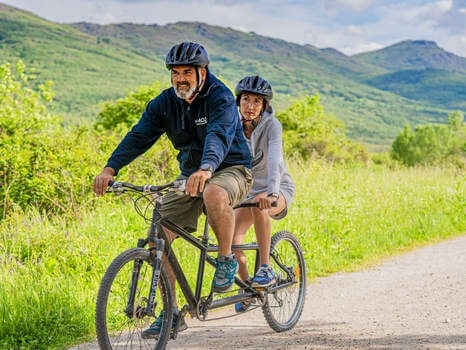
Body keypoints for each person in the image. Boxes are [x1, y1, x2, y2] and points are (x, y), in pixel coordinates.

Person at [93, 42, 253, 337]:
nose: (181, 78)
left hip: (231, 169)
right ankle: (172, 313)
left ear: (202, 72)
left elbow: (218, 135)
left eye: (187, 72)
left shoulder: (220, 98)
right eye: (175, 73)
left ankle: (226, 258)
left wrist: (207, 169)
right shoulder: (164, 103)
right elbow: (139, 135)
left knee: (214, 193)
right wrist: (110, 168)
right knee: (158, 239)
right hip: (191, 174)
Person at [231, 75, 295, 312]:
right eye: (246, 99)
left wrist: (273, 193)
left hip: (277, 188)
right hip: (247, 191)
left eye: (256, 102)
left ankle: (266, 268)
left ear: (264, 106)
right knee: (232, 236)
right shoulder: (234, 126)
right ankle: (247, 285)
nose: (250, 106)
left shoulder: (272, 126)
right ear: (238, 102)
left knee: (262, 208)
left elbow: (275, 161)